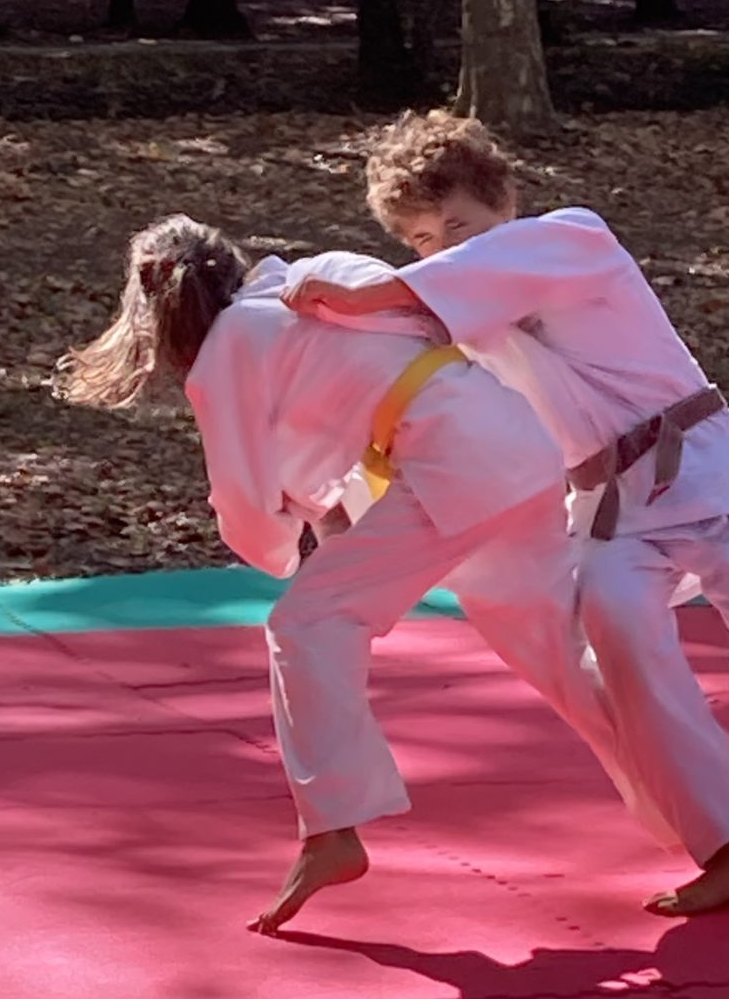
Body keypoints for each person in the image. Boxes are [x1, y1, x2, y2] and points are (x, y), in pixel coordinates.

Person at [281, 109, 729, 917]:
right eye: (424, 239)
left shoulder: (573, 238)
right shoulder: (455, 323)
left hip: (707, 469)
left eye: (459, 225)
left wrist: (358, 294)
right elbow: (416, 413)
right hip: (608, 507)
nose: (445, 249)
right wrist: (337, 500)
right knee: (614, 637)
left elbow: (411, 293)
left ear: (503, 201)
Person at [58, 213, 696, 935]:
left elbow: (241, 495)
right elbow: (372, 390)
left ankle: (331, 829)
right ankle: (716, 827)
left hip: (452, 463)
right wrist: (321, 525)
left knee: (306, 622)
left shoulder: (229, 351)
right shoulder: (321, 278)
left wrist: (283, 547)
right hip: (515, 444)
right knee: (564, 658)